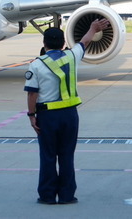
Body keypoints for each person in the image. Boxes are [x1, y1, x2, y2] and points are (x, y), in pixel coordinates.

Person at [24, 19, 110, 205]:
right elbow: (85, 42)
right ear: (63, 43)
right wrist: (93, 28)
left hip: (47, 117)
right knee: (66, 155)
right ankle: (66, 195)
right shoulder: (72, 56)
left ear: (44, 43)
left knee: (48, 156)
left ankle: (47, 196)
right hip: (70, 116)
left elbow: (32, 94)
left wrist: (32, 116)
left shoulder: (37, 65)